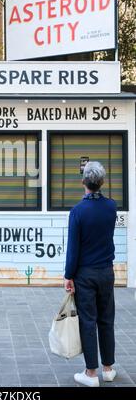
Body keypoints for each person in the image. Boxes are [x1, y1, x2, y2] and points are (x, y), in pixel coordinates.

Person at [64, 161, 117, 387]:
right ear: (102, 182)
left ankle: (91, 373)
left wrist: (69, 276)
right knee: (106, 320)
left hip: (85, 274)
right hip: (106, 271)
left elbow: (73, 248)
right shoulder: (111, 207)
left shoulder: (77, 212)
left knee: (88, 321)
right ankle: (108, 369)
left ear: (83, 182)